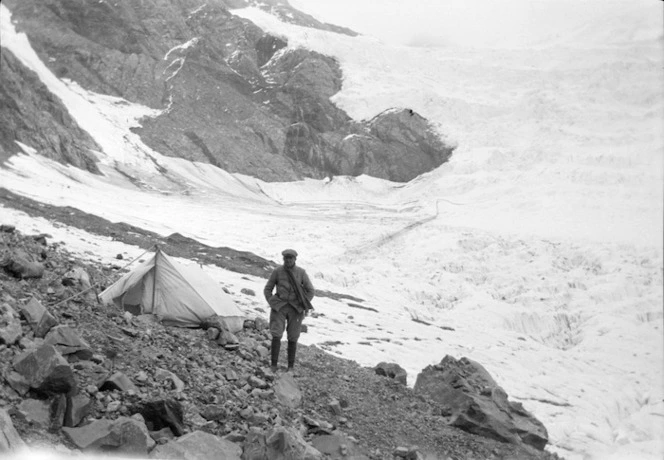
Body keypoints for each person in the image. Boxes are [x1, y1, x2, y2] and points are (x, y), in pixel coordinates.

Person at [263, 249, 315, 373]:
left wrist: (302, 303)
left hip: (295, 309)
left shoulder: (301, 273)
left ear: (295, 259)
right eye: (286, 258)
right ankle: (273, 365)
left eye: (291, 258)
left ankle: (290, 367)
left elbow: (310, 291)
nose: (288, 260)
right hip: (279, 307)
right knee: (276, 334)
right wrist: (272, 302)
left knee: (293, 336)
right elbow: (268, 289)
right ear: (283, 259)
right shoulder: (277, 272)